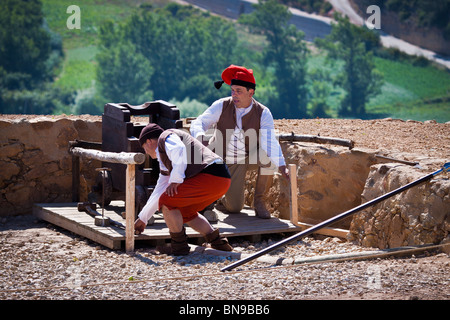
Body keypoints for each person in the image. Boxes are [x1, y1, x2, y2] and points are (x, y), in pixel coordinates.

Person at [190, 65, 289, 219]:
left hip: (247, 157)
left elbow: (269, 141)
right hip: (223, 161)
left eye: (239, 91)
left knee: (268, 157)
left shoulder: (263, 112)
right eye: (232, 90)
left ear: (251, 92)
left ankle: (259, 202)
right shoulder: (221, 105)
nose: (234, 95)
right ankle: (222, 199)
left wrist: (282, 166)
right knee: (235, 208)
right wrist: (200, 136)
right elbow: (199, 122)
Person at [134, 123, 233, 255]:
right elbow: (160, 189)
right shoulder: (164, 158)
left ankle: (179, 247)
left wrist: (176, 179)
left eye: (144, 148)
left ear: (149, 141)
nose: (145, 152)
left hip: (211, 175)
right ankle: (218, 242)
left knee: (167, 201)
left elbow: (179, 149)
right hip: (221, 179)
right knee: (185, 211)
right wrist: (143, 218)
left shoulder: (166, 137)